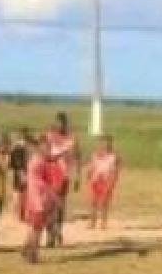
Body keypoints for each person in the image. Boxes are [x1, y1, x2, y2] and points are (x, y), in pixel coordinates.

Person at [45, 112, 81, 247]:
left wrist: (77, 176)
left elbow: (78, 157)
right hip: (49, 174)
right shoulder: (49, 136)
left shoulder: (72, 139)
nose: (59, 125)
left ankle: (57, 231)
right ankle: (50, 234)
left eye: (62, 123)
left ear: (65, 123)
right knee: (48, 206)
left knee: (60, 206)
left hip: (64, 175)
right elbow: (43, 153)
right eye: (57, 123)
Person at [22, 135, 57, 265]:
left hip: (35, 198)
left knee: (34, 227)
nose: (49, 149)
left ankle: (27, 249)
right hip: (39, 199)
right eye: (47, 146)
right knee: (37, 228)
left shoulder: (36, 159)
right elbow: (43, 182)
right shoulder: (39, 161)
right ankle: (33, 254)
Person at [87, 134, 122, 231]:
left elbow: (117, 168)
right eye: (101, 142)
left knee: (104, 202)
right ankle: (92, 222)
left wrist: (113, 180)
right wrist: (89, 174)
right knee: (93, 202)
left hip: (106, 180)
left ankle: (103, 222)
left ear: (110, 144)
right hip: (95, 179)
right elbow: (91, 166)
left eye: (106, 142)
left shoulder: (114, 156)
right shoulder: (95, 154)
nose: (103, 145)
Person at [8, 129, 31, 222]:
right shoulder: (18, 149)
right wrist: (22, 174)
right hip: (20, 174)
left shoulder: (18, 148)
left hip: (23, 173)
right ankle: (18, 215)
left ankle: (20, 215)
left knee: (22, 195)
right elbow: (17, 164)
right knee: (19, 195)